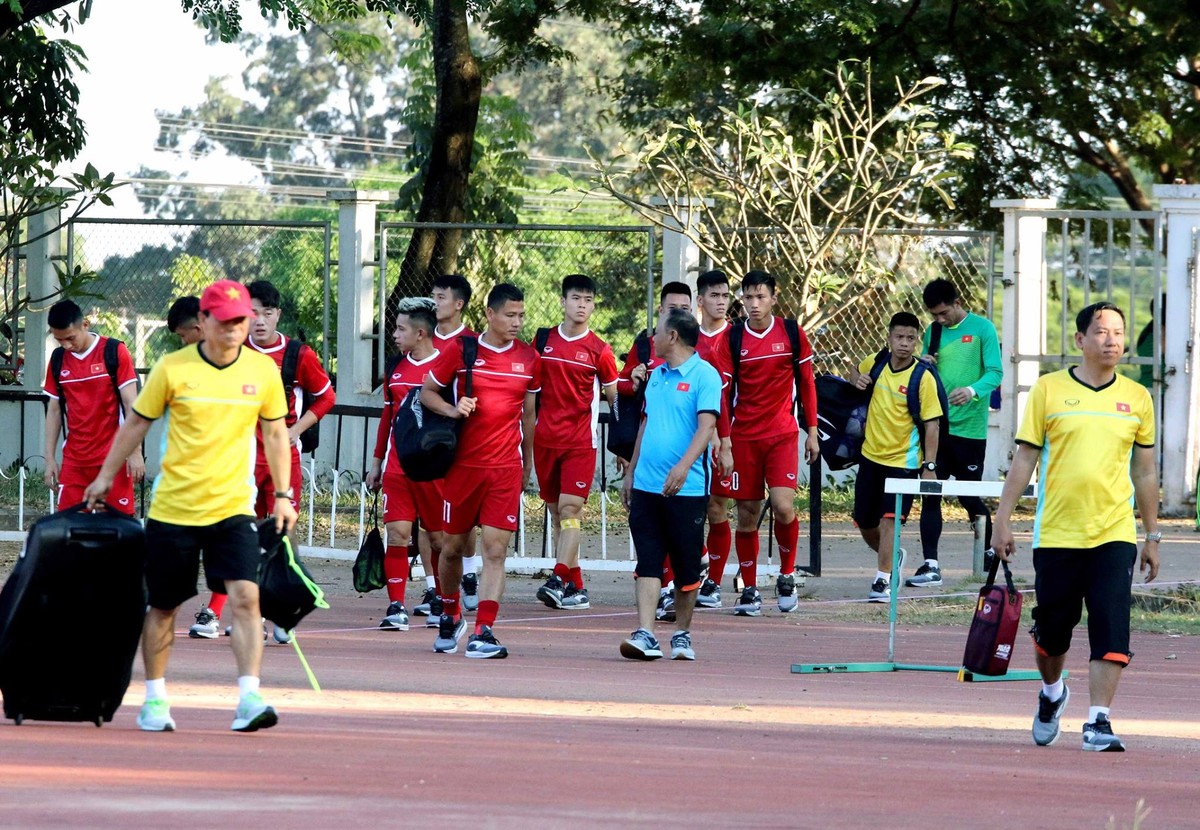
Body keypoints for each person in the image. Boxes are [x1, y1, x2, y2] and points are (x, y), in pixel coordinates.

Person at [84, 279, 298, 733]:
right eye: (226, 321)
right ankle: (155, 701)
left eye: (242, 320)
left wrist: (282, 495)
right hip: (174, 510)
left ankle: (248, 698)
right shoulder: (173, 368)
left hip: (233, 509)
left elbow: (276, 433)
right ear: (203, 321)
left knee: (246, 598)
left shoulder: (262, 372)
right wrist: (105, 476)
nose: (236, 329)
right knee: (164, 606)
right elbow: (136, 424)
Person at [992, 301, 1159, 753]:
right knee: (1052, 634)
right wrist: (1002, 520)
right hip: (1057, 533)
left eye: (1119, 332)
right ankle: (1051, 694)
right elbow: (1025, 458)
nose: (1112, 340)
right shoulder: (1048, 390)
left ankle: (1098, 721)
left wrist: (1152, 535)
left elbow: (1144, 472)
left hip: (1114, 533)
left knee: (1111, 626)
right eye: (1102, 331)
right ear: (1080, 340)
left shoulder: (1138, 398)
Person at [188, 280, 335, 642]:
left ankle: (283, 612)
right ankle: (219, 611)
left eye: (267, 313)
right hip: (240, 460)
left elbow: (326, 397)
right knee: (238, 532)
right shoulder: (233, 350)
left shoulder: (299, 355)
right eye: (253, 312)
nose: (260, 321)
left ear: (277, 315)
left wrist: (296, 429)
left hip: (282, 458)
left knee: (283, 533)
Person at [420, 283, 541, 659]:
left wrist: (528, 464)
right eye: (510, 315)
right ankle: (451, 611)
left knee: (495, 550)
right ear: (490, 314)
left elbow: (530, 415)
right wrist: (454, 410)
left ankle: (484, 630)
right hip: (461, 468)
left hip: (505, 468)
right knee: (451, 548)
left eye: (521, 315)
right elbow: (427, 392)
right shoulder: (462, 350)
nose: (517, 322)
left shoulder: (529, 358)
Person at [708, 270, 819, 616]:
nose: (754, 304)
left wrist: (811, 430)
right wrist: (724, 440)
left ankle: (787, 576)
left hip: (782, 435)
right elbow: (723, 395)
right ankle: (750, 589)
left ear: (773, 297)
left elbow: (806, 384)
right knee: (746, 513)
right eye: (748, 298)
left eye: (760, 297)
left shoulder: (791, 333)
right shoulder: (733, 338)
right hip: (743, 438)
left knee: (784, 506)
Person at [619, 309, 721, 661]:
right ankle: (646, 633)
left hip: (687, 489)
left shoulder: (705, 376)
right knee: (648, 558)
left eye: (657, 332)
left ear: (673, 337)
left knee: (686, 565)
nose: (652, 340)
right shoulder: (656, 376)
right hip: (647, 486)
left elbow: (706, 427)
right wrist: (631, 471)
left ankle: (681, 633)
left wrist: (682, 467)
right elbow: (645, 424)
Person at [907, 278, 1003, 588]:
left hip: (970, 431)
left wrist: (973, 390)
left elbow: (996, 373)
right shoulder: (933, 333)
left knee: (969, 497)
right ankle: (930, 565)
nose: (939, 320)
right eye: (934, 315)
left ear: (957, 302)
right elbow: (922, 370)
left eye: (944, 313)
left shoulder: (983, 329)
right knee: (930, 492)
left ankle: (990, 549)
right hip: (937, 428)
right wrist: (924, 363)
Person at [532, 274, 619, 611]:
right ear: (563, 302)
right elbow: (529, 394)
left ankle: (556, 578)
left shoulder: (600, 349)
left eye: (588, 300)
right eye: (576, 299)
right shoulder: (543, 342)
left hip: (581, 443)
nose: (582, 305)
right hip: (545, 441)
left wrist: (622, 446)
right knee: (557, 515)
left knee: (571, 510)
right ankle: (574, 586)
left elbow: (614, 399)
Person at [615, 281, 695, 621]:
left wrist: (722, 443)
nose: (677, 313)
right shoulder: (649, 352)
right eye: (671, 308)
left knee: (685, 549)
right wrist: (629, 463)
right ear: (660, 311)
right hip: (647, 469)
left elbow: (710, 417)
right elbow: (623, 392)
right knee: (650, 548)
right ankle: (648, 622)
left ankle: (683, 628)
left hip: (687, 476)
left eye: (684, 308)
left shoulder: (700, 362)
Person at [849, 311, 942, 602]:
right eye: (899, 337)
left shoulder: (922, 377)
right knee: (865, 521)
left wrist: (929, 465)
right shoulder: (876, 364)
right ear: (889, 338)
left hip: (903, 463)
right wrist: (857, 379)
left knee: (890, 520)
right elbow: (853, 370)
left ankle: (882, 579)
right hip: (870, 457)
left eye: (910, 338)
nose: (904, 343)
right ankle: (893, 557)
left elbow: (932, 424)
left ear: (918, 341)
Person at [365, 297, 444, 631]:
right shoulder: (396, 367)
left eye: (401, 329)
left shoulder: (447, 367)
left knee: (440, 539)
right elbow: (388, 415)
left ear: (421, 333)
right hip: (399, 468)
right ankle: (396, 604)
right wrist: (377, 461)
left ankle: (442, 597)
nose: (395, 335)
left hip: (435, 469)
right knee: (397, 534)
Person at [42, 300, 145, 514]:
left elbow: (131, 404)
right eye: (59, 340)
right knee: (69, 529)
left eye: (70, 338)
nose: (66, 345)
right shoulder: (59, 358)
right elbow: (54, 410)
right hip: (75, 461)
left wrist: (135, 452)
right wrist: (50, 458)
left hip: (113, 458)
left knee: (117, 530)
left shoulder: (113, 351)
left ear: (85, 325)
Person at [427, 273, 482, 614]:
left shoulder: (472, 344)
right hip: (427, 440)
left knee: (463, 520)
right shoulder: (423, 338)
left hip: (463, 442)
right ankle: (433, 586)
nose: (435, 303)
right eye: (432, 296)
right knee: (427, 519)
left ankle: (471, 572)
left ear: (458, 304)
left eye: (441, 297)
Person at [693, 270, 735, 609]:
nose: (721, 302)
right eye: (714, 296)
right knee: (692, 507)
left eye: (725, 296)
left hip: (728, 437)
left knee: (717, 507)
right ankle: (697, 562)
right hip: (692, 437)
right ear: (701, 301)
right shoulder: (690, 341)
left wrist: (727, 438)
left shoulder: (736, 339)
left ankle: (715, 582)